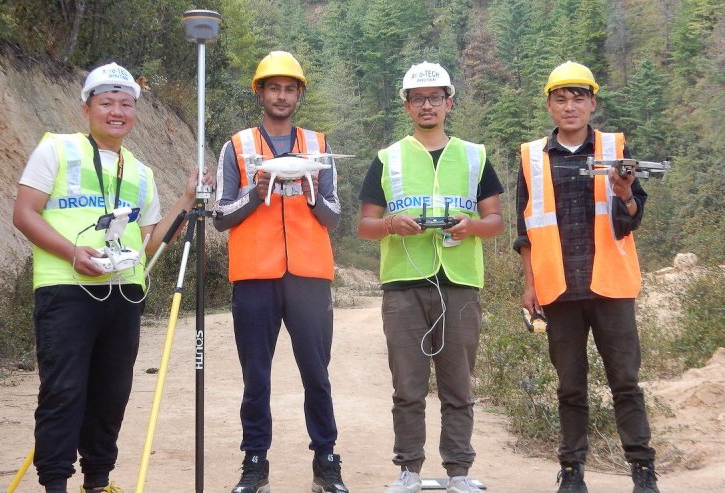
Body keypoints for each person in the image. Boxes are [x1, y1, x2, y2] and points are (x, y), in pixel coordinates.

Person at [13, 62, 207, 493]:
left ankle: (98, 482)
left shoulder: (140, 172)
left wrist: (187, 197)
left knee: (111, 394)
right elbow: (24, 214)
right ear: (87, 108)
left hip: (122, 294)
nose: (116, 111)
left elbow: (151, 242)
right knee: (64, 392)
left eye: (125, 103)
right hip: (66, 291)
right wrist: (73, 253)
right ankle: (55, 484)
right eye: (106, 103)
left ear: (134, 112)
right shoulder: (57, 150)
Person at [357, 62, 504, 493]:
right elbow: (365, 225)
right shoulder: (388, 158)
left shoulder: (474, 155)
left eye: (435, 97)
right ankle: (409, 470)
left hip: (459, 282)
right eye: (419, 98)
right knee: (408, 385)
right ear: (407, 105)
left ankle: (459, 471)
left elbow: (495, 219)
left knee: (458, 384)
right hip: (404, 284)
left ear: (449, 103)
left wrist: (471, 225)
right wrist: (391, 224)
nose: (427, 105)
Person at [514, 60, 659, 493]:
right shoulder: (532, 157)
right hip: (559, 288)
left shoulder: (616, 148)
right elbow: (525, 229)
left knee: (626, 383)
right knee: (570, 386)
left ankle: (643, 470)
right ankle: (572, 471)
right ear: (550, 106)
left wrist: (625, 193)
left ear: (592, 102)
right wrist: (530, 284)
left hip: (610, 286)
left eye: (578, 97)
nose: (570, 106)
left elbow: (632, 218)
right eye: (561, 98)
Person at [212, 51, 348, 493]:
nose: (282, 95)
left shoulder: (319, 145)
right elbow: (220, 214)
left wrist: (311, 194)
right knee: (256, 374)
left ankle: (326, 461)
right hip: (254, 275)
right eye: (274, 87)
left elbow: (334, 216)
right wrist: (256, 193)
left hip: (309, 274)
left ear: (299, 95)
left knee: (316, 373)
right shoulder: (238, 146)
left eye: (290, 88)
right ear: (260, 93)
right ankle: (255, 462)